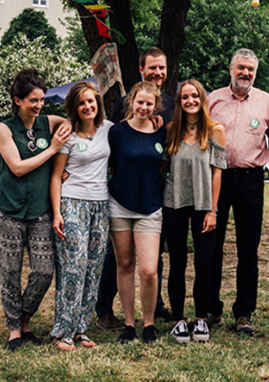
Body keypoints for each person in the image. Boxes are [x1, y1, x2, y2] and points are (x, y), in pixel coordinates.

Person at [0, 68, 71, 351]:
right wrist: (52, 150)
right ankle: (16, 329)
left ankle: (25, 316)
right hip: (8, 209)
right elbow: (17, 167)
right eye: (32, 101)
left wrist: (66, 167)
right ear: (17, 101)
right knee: (10, 271)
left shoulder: (49, 122)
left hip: (39, 209)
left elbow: (81, 120)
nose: (38, 106)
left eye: (41, 100)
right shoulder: (3, 128)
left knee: (43, 271)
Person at [207, 48, 269, 336]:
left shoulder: (265, 101)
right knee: (212, 245)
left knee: (248, 250)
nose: (246, 73)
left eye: (251, 69)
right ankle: (210, 308)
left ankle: (244, 313)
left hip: (251, 180)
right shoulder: (212, 99)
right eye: (241, 67)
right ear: (230, 68)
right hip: (216, 178)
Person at [97, 47, 174, 331]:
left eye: (161, 68)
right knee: (119, 260)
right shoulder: (121, 112)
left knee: (151, 263)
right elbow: (107, 150)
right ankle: (106, 308)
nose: (157, 73)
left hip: (154, 195)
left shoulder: (171, 104)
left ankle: (154, 310)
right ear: (142, 69)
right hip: (122, 197)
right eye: (152, 67)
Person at [48, 81, 112, 351]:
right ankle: (62, 331)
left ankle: (81, 329)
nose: (88, 106)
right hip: (72, 203)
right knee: (74, 265)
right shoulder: (67, 134)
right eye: (82, 103)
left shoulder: (108, 130)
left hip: (101, 205)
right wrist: (57, 213)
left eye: (91, 101)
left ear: (98, 103)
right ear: (74, 107)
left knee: (94, 267)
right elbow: (55, 176)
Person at [164, 80, 226, 344]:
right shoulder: (171, 130)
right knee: (177, 262)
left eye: (195, 96)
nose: (190, 101)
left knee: (204, 263)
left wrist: (213, 211)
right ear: (179, 101)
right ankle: (178, 320)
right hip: (174, 203)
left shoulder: (215, 131)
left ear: (202, 99)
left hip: (203, 205)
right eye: (185, 97)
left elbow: (217, 174)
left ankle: (201, 318)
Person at [107, 81, 166, 344]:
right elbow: (103, 162)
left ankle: (149, 324)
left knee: (149, 270)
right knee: (125, 264)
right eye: (140, 102)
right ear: (131, 102)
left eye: (149, 103)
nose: (144, 107)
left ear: (156, 106)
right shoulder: (116, 132)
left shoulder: (160, 132)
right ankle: (129, 324)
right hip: (120, 204)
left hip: (150, 205)